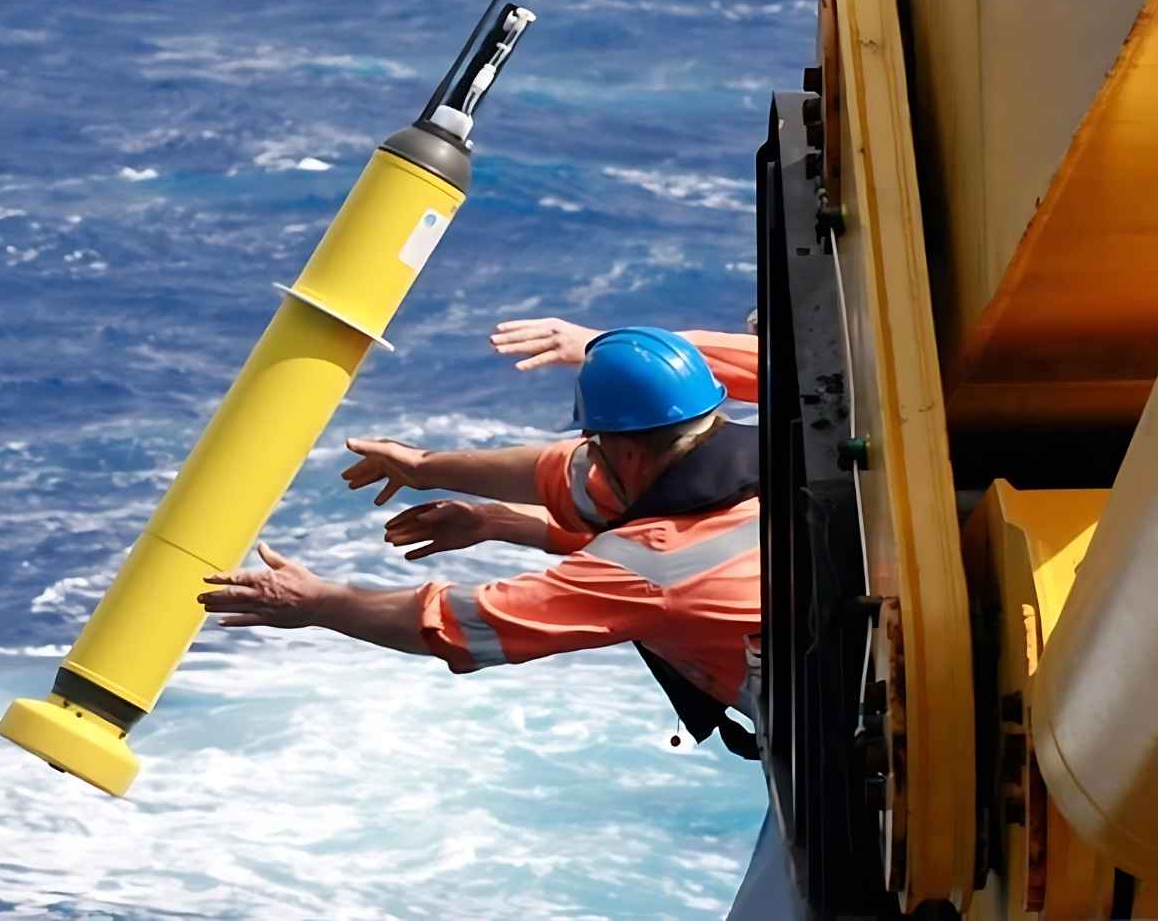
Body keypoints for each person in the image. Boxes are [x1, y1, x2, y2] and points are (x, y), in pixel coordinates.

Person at [198, 315, 800, 918]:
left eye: (594, 443)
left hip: (823, 750)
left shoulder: (651, 566)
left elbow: (462, 621)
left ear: (625, 449)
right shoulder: (773, 452)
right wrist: (442, 481)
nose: (586, 456)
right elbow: (573, 480)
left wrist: (317, 603)